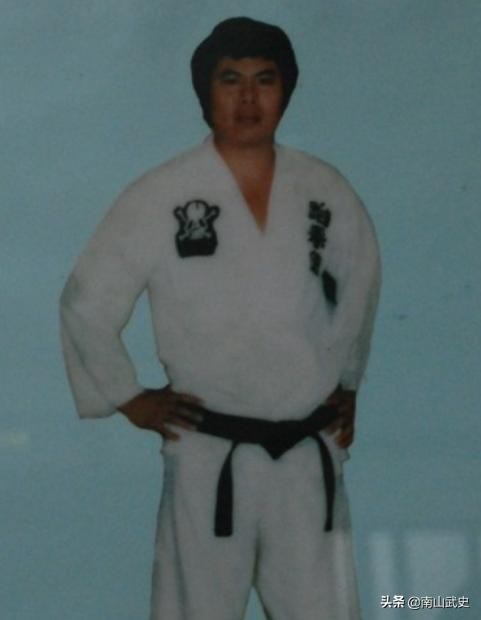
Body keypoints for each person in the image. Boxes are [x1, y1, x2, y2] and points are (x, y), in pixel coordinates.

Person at [60, 16, 381, 620]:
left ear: (287, 89)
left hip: (307, 452)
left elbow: (359, 287)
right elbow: (85, 302)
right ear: (205, 92)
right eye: (230, 80)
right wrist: (127, 397)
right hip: (208, 455)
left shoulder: (324, 190)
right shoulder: (162, 194)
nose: (249, 98)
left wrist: (348, 383)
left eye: (265, 79)